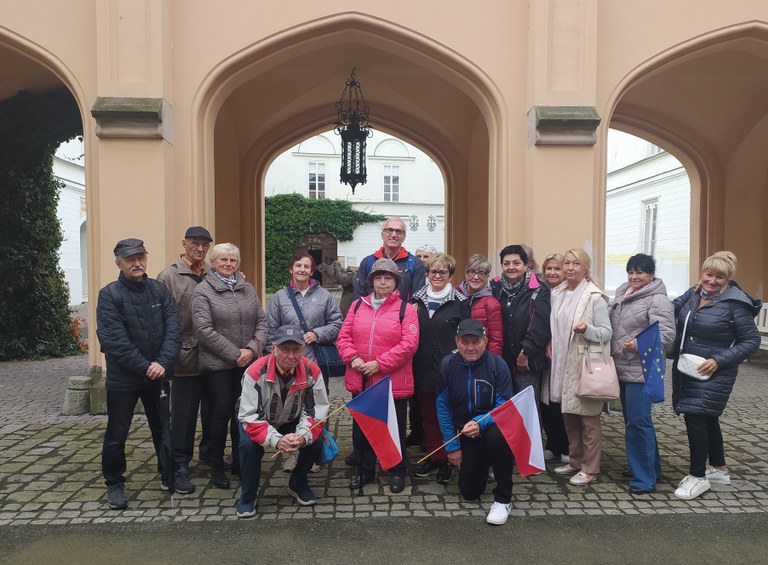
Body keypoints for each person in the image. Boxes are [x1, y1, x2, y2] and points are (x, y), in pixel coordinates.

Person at [96, 238, 181, 510]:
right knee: (117, 433)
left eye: (141, 257)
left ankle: (168, 473)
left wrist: (162, 362)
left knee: (163, 428)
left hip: (157, 374)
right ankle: (114, 483)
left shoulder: (158, 290)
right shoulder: (110, 295)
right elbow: (115, 341)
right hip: (125, 379)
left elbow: (173, 329)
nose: (137, 263)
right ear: (118, 262)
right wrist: (146, 366)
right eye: (130, 259)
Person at [671, 251, 761, 500]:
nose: (712, 280)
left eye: (719, 277)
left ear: (728, 279)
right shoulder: (694, 294)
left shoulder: (736, 303)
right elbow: (671, 310)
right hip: (689, 367)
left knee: (696, 417)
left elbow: (751, 341)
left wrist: (718, 361)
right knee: (707, 418)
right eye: (708, 274)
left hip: (713, 371)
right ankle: (719, 469)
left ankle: (697, 477)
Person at [336, 258, 419, 493]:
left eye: (388, 278)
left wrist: (379, 364)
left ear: (396, 283)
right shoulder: (356, 306)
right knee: (362, 429)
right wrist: (354, 359)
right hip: (362, 378)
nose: (383, 282)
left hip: (391, 381)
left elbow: (409, 345)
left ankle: (396, 470)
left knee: (393, 429)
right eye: (379, 277)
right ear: (372, 281)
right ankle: (365, 470)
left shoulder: (405, 310)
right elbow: (343, 338)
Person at [191, 243, 268, 489]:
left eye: (233, 260)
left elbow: (262, 322)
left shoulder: (247, 289)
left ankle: (240, 460)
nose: (228, 264)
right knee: (221, 412)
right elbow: (203, 330)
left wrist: (252, 350)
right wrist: (235, 354)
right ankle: (216, 464)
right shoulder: (203, 291)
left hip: (246, 363)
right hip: (219, 365)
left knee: (242, 412)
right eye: (223, 260)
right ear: (212, 262)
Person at [236, 325, 329, 518]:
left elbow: (317, 412)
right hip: (258, 420)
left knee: (315, 441)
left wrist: (302, 436)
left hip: (292, 418)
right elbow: (249, 416)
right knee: (248, 446)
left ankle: (298, 483)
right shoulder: (254, 371)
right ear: (274, 348)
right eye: (285, 349)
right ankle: (248, 495)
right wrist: (277, 440)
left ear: (303, 349)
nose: (291, 355)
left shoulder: (312, 371)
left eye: (296, 350)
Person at [267, 249, 342, 471]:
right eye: (298, 265)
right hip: (287, 364)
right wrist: (271, 360)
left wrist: (318, 333)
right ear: (291, 269)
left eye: (306, 266)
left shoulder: (324, 296)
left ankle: (316, 451)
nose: (302, 269)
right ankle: (292, 453)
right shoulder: (280, 297)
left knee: (316, 406)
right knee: (292, 409)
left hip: (314, 363)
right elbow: (271, 330)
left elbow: (338, 324)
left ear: (312, 271)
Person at [436, 319, 516, 525]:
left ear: (485, 341)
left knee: (498, 437)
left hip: (491, 426)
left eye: (476, 341)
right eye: (465, 342)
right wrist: (452, 447)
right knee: (470, 491)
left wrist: (480, 422)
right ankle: (484, 463)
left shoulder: (498, 365)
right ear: (457, 342)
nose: (470, 347)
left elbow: (504, 406)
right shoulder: (447, 365)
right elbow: (443, 407)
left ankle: (504, 497)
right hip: (466, 432)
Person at [609, 253, 675, 495]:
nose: (634, 276)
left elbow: (666, 337)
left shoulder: (658, 300)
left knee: (638, 423)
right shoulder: (622, 293)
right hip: (623, 368)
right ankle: (650, 469)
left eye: (640, 272)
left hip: (642, 370)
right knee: (634, 422)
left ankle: (644, 478)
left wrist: (637, 344)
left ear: (651, 275)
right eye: (631, 271)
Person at [156, 225, 213, 495]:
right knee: (184, 414)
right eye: (195, 244)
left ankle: (209, 455)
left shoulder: (214, 274)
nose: (200, 249)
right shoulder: (169, 276)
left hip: (214, 356)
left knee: (214, 411)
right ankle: (179, 463)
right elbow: (161, 321)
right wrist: (169, 353)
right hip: (184, 357)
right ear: (184, 244)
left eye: (204, 245)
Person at [550, 248, 612, 486]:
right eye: (566, 263)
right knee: (569, 416)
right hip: (563, 361)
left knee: (588, 420)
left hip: (586, 363)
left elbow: (606, 333)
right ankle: (575, 461)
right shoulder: (559, 293)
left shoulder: (594, 297)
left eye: (576, 264)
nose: (569, 268)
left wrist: (587, 329)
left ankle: (590, 467)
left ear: (586, 268)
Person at [411, 252, 470, 484]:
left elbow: (465, 336)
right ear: (427, 274)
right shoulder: (415, 300)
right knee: (428, 415)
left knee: (449, 415)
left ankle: (449, 458)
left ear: (449, 276)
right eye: (433, 271)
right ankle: (435, 455)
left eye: (442, 272)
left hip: (449, 368)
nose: (437, 275)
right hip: (423, 366)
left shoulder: (460, 302)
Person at [491, 245, 551, 403]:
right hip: (502, 359)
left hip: (526, 360)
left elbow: (540, 326)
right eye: (506, 263)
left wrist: (526, 353)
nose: (511, 267)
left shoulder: (539, 289)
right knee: (503, 405)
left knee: (526, 408)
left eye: (516, 263)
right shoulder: (495, 286)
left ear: (526, 265)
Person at [539, 253, 570, 464]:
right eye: (549, 268)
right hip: (544, 354)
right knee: (547, 401)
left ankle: (567, 445)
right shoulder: (542, 291)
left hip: (564, 353)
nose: (552, 272)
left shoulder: (570, 293)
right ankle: (553, 443)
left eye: (557, 269)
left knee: (562, 402)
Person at [353, 217, 427, 301]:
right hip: (372, 313)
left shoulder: (415, 264)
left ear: (404, 237)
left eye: (399, 231)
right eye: (389, 230)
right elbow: (358, 297)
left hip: (403, 313)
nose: (394, 235)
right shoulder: (367, 262)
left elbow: (417, 299)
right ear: (382, 234)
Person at [457, 254, 503, 356]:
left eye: (481, 273)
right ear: (466, 274)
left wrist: (492, 363)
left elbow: (496, 339)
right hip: (456, 356)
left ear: (487, 277)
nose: (476, 277)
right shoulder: (454, 294)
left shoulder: (491, 303)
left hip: (481, 357)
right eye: (472, 272)